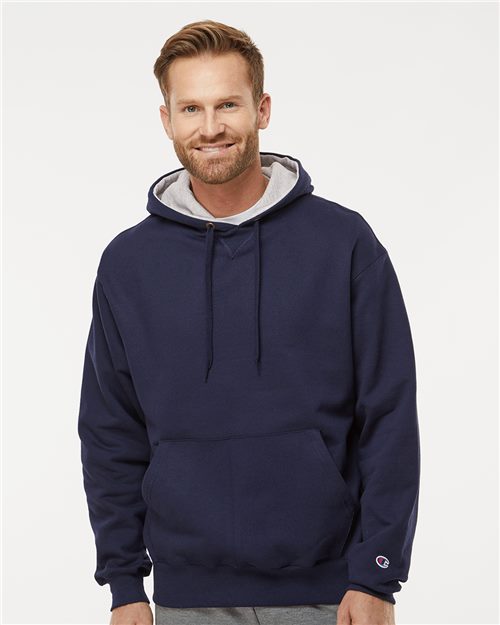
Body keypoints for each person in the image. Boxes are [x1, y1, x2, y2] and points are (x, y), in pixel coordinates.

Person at [77, 19, 420, 625]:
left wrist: (378, 573)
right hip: (184, 599)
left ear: (262, 109)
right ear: (167, 120)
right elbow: (111, 432)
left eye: (228, 104)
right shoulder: (128, 264)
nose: (210, 127)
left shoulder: (343, 242)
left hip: (334, 594)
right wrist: (125, 585)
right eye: (192, 108)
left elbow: (388, 415)